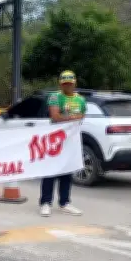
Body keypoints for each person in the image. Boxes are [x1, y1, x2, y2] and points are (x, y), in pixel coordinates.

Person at [39, 70, 84, 217]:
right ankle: (45, 203)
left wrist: (69, 117)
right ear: (61, 84)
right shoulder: (55, 97)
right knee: (50, 171)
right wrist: (72, 117)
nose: (67, 86)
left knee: (67, 171)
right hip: (54, 141)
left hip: (70, 142)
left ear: (74, 83)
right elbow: (55, 116)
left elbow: (82, 116)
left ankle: (65, 203)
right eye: (65, 84)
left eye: (70, 83)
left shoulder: (80, 100)